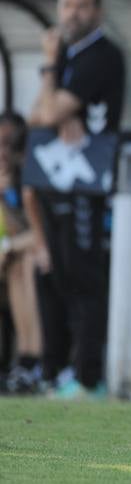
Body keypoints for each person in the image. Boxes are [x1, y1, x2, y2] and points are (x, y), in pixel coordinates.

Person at [26, 0, 126, 398]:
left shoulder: (101, 56)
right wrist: (55, 106)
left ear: (98, 11)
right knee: (55, 276)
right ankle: (59, 369)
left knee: (85, 279)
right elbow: (38, 115)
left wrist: (50, 72)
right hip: (54, 181)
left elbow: (48, 113)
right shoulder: (68, 54)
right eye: (66, 5)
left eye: (82, 6)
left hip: (86, 183)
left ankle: (88, 377)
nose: (72, 14)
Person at [0, 111, 43, 394]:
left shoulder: (28, 181)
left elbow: (38, 234)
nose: (3, 150)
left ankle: (30, 361)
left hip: (23, 259)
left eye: (8, 143)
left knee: (22, 265)